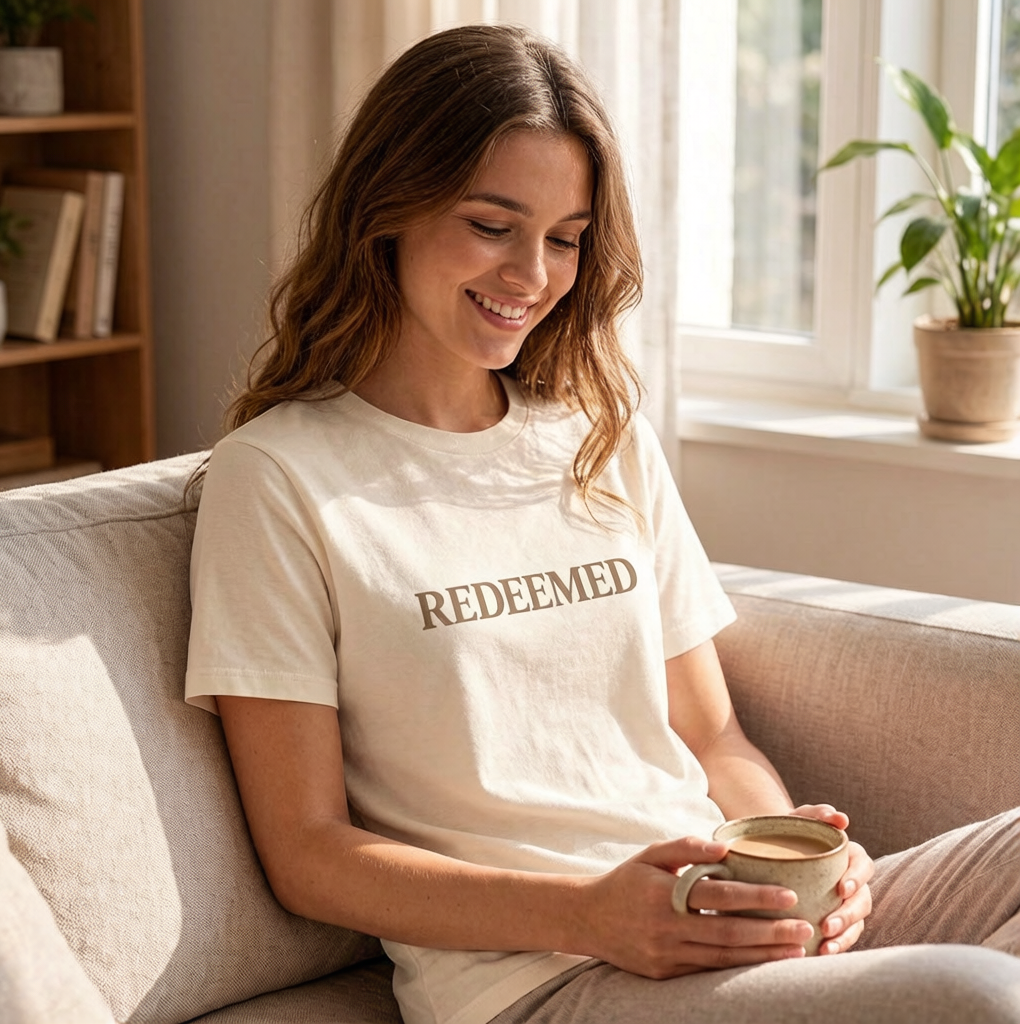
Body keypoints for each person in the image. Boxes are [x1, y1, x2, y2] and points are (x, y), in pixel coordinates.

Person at [185, 22, 1020, 1024]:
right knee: (970, 997)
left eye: (565, 238)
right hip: (546, 978)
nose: (531, 276)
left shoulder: (598, 439)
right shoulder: (278, 477)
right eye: (492, 225)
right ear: (386, 210)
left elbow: (711, 733)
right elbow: (308, 852)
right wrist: (591, 914)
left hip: (718, 916)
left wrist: (793, 852)